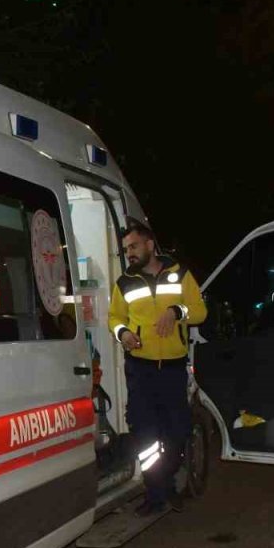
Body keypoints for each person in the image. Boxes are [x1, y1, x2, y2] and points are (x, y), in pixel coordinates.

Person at [108, 219, 207, 517]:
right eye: (126, 249)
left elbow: (200, 311)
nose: (130, 254)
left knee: (177, 430)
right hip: (140, 369)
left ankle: (165, 482)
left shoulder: (180, 274)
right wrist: (123, 333)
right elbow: (114, 318)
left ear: (150, 244)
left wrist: (177, 311)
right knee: (145, 433)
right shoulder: (124, 282)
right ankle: (157, 494)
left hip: (173, 368)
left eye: (134, 246)